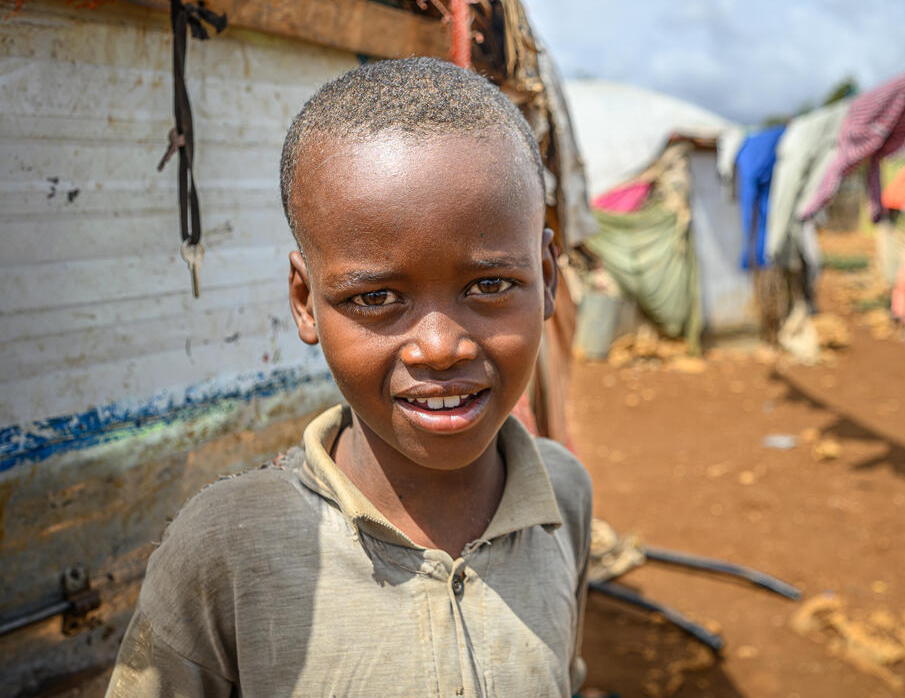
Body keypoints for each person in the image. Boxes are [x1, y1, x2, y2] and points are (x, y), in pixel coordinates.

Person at [106, 58, 593, 697]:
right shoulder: (225, 552)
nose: (440, 348)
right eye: (375, 298)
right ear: (306, 302)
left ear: (549, 279)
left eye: (490, 285)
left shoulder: (563, 497)